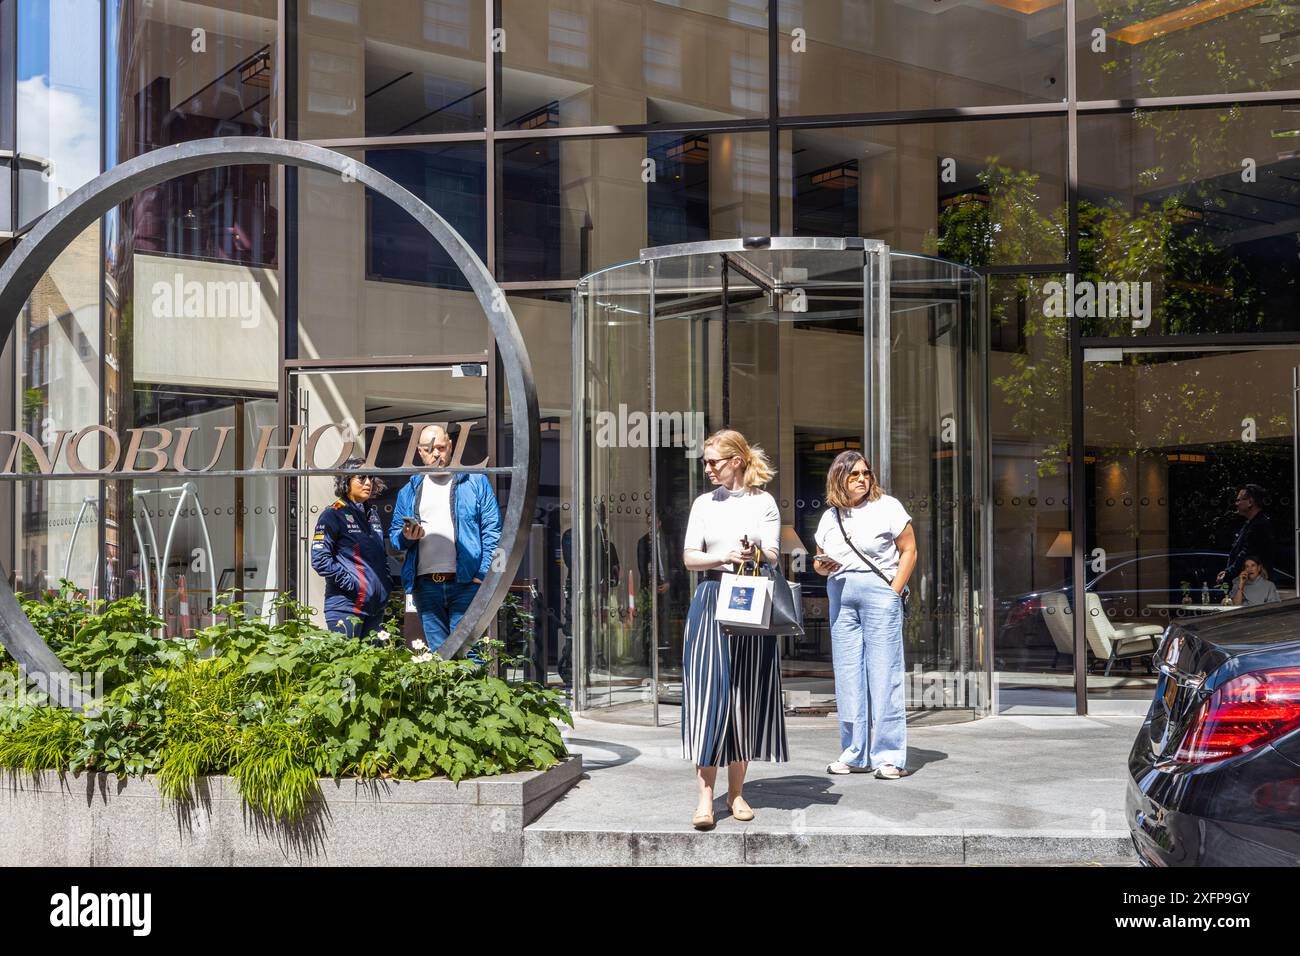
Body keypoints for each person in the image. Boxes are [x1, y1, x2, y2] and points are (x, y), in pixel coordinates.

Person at [680, 428, 787, 830]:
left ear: (736, 461)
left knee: (745, 694)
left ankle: (737, 792)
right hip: (711, 599)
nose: (707, 469)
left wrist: (755, 553)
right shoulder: (703, 503)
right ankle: (705, 796)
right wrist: (721, 557)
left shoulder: (764, 503)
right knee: (710, 694)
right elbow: (690, 557)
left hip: (750, 600)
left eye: (713, 461)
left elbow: (775, 553)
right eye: (705, 462)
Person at [813, 450, 917, 780]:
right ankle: (855, 752)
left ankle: (888, 756)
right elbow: (818, 560)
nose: (862, 479)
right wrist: (821, 565)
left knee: (884, 674)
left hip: (879, 594)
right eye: (854, 474)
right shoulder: (830, 517)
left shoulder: (887, 506)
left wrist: (893, 590)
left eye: (865, 473)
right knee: (847, 675)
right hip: (840, 596)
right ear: (838, 479)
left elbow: (909, 550)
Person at [390, 424, 502, 655]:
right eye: (429, 449)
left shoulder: (475, 482)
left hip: (466, 583)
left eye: (441, 447)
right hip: (426, 585)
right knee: (440, 658)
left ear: (450, 446)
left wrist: (481, 575)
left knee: (471, 655)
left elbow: (492, 531)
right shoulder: (409, 490)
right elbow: (394, 538)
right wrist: (406, 537)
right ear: (420, 451)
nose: (436, 453)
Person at [311, 458, 392, 641]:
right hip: (345, 608)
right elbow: (320, 560)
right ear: (345, 481)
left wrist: (384, 586)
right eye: (361, 478)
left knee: (371, 667)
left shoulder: (373, 515)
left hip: (374, 608)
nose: (368, 483)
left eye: (371, 477)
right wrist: (355, 585)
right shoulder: (333, 514)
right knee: (345, 665)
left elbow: (380, 557)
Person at [1217, 484, 1274, 585]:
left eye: (1239, 500)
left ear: (1250, 502)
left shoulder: (1259, 525)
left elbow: (1246, 554)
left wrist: (1228, 573)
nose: (1236, 504)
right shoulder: (1251, 523)